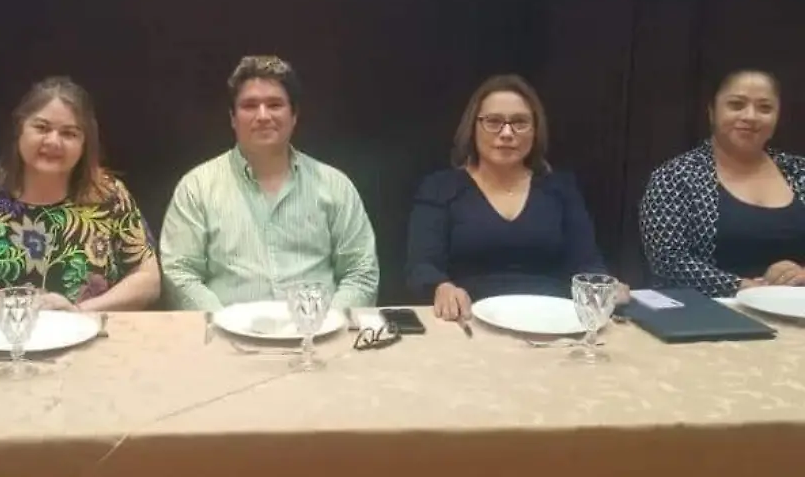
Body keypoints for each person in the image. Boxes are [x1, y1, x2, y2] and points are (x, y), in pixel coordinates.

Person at [0, 77, 160, 313]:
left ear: (85, 143)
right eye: (42, 128)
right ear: (19, 129)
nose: (53, 142)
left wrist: (79, 312)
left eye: (69, 133)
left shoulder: (109, 195)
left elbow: (148, 279)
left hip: (85, 330)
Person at [159, 55, 379, 311]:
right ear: (232, 117)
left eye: (275, 105)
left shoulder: (335, 186)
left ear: (294, 115)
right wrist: (222, 323)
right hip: (226, 332)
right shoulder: (196, 187)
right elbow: (180, 272)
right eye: (250, 106)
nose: (263, 116)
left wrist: (327, 322)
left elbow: (361, 273)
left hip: (318, 331)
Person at [405, 74, 624, 321]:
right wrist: (441, 288)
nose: (507, 133)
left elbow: (587, 263)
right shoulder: (440, 187)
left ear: (535, 130)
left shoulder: (561, 189)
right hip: (468, 320)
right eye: (493, 121)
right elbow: (421, 267)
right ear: (472, 128)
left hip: (550, 321)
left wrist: (605, 287)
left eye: (520, 122)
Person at [640, 70, 805, 296]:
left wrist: (801, 275)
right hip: (707, 309)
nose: (751, 116)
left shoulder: (799, 171)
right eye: (736, 105)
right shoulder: (675, 177)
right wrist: (744, 288)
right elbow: (668, 260)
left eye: (765, 108)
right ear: (712, 112)